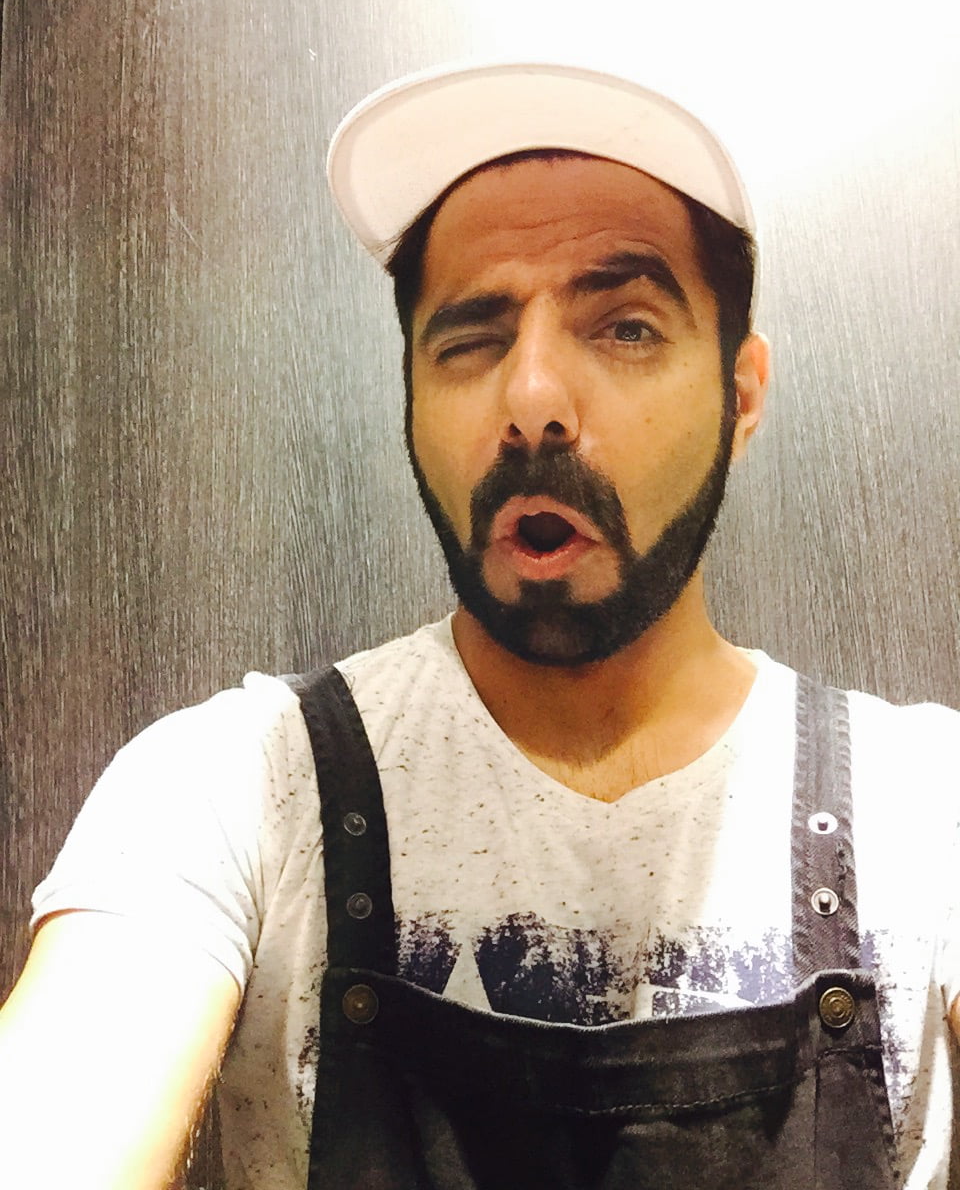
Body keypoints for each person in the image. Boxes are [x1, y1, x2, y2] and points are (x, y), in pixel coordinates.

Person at [1, 61, 959, 1190]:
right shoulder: (235, 787)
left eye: (627, 327)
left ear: (740, 395)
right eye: (469, 339)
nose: (533, 398)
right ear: (411, 396)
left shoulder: (927, 808)